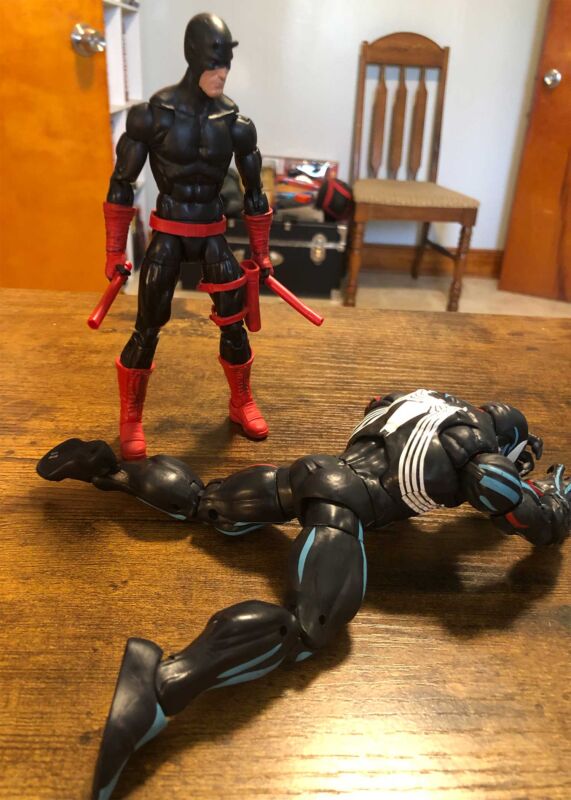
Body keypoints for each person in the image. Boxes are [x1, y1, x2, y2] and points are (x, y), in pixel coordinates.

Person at [36, 388, 570, 800]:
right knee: (310, 628)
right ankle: (162, 684)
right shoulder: (480, 458)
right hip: (346, 508)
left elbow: (375, 409)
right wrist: (554, 498)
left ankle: (109, 470)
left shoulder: (423, 398)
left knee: (206, 503)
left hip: (311, 473)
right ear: (507, 444)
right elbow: (535, 521)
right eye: (519, 460)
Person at [104, 13, 273, 459]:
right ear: (193, 57)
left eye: (226, 64)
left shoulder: (234, 121)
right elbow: (121, 183)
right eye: (214, 64)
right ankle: (131, 417)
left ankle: (241, 401)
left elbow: (255, 192)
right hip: (170, 231)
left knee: (234, 321)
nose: (222, 74)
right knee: (148, 324)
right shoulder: (152, 116)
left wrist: (262, 253)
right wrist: (114, 251)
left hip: (212, 230)